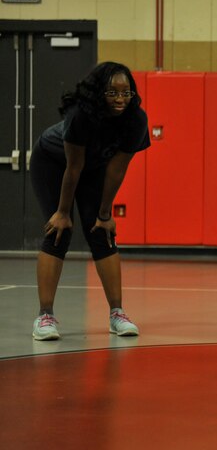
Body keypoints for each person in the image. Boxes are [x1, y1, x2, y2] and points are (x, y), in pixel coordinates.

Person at [30, 62, 150, 341]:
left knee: (102, 233)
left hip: (94, 169)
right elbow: (73, 168)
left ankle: (117, 314)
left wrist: (105, 213)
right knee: (59, 231)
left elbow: (117, 169)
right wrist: (62, 212)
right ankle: (44, 316)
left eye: (126, 93)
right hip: (53, 163)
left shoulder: (135, 119)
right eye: (112, 93)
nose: (120, 99)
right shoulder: (80, 115)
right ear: (99, 93)